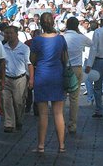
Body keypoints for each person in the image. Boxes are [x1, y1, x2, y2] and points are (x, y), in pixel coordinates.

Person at [30, 12, 67, 154]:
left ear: (41, 24)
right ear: (53, 23)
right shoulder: (60, 39)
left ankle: (41, 146)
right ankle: (62, 145)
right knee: (58, 113)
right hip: (57, 75)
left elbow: (32, 60)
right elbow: (64, 58)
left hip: (42, 76)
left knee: (43, 114)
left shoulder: (37, 40)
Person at [63, 16, 92, 134]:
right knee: (74, 98)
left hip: (63, 68)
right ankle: (72, 125)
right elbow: (91, 44)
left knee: (62, 97)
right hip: (76, 68)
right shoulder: (80, 37)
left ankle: (61, 123)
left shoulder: (62, 37)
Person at [2, 25, 34, 132]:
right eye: (7, 33)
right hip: (6, 78)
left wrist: (31, 79)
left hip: (20, 79)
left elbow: (29, 64)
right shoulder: (3, 47)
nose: (9, 35)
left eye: (11, 33)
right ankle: (9, 124)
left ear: (16, 34)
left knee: (19, 102)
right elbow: (1, 63)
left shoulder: (24, 48)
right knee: (6, 101)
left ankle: (19, 120)